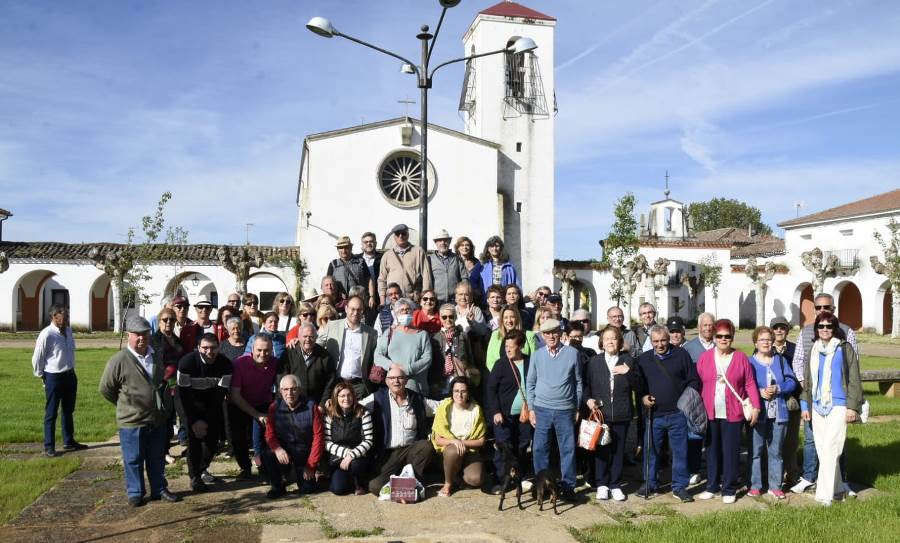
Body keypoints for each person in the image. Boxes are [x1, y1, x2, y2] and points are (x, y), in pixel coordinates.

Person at [99, 315, 181, 506]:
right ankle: (135, 492)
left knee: (157, 457)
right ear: (129, 335)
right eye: (137, 335)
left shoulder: (156, 355)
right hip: (132, 421)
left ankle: (159, 489)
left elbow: (161, 381)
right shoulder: (118, 360)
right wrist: (126, 405)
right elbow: (106, 389)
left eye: (145, 334)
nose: (142, 338)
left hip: (156, 418)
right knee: (133, 458)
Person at [800, 312, 862, 506]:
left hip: (839, 405)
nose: (824, 330)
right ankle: (838, 489)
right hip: (817, 406)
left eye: (828, 326)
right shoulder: (814, 350)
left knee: (830, 448)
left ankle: (824, 496)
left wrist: (852, 407)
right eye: (821, 326)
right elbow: (808, 381)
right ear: (816, 329)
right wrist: (805, 405)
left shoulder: (844, 349)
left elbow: (854, 379)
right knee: (822, 449)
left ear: (835, 328)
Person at [696, 319, 761, 504]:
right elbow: (699, 381)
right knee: (711, 450)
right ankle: (712, 485)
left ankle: (729, 488)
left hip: (733, 412)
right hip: (710, 411)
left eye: (727, 336)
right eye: (719, 336)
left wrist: (756, 407)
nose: (723, 339)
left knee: (731, 451)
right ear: (714, 337)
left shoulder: (740, 358)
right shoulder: (705, 357)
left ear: (732, 337)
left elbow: (749, 383)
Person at [634, 324, 699, 503]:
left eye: (663, 340)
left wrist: (685, 402)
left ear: (668, 339)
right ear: (651, 342)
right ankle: (650, 483)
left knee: (680, 451)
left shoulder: (681, 355)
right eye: (656, 341)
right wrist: (644, 397)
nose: (660, 344)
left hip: (677, 414)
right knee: (651, 451)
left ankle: (679, 487)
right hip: (654, 415)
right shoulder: (644, 359)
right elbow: (639, 387)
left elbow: (693, 381)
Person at [526, 319, 583, 502]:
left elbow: (578, 382)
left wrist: (576, 406)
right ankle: (542, 485)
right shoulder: (537, 355)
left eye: (554, 332)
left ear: (561, 333)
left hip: (565, 409)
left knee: (567, 449)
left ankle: (568, 486)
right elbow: (530, 383)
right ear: (542, 335)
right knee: (539, 449)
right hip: (541, 408)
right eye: (547, 333)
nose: (551, 336)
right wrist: (532, 408)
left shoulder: (573, 354)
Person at [360, 364, 437, 496]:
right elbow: (357, 407)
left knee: (426, 446)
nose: (396, 381)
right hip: (388, 454)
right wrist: (333, 405)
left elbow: (439, 407)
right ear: (386, 381)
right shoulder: (377, 398)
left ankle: (410, 482)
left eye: (400, 377)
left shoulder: (417, 399)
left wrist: (457, 400)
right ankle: (406, 488)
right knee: (375, 486)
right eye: (392, 378)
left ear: (406, 380)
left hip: (411, 450)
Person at [583, 326, 638, 502]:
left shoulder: (627, 360)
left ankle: (615, 484)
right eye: (606, 339)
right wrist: (588, 400)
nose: (610, 342)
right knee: (601, 450)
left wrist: (628, 373)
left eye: (614, 338)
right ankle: (602, 484)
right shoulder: (594, 362)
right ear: (602, 342)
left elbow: (639, 385)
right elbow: (586, 386)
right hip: (601, 414)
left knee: (617, 450)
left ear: (620, 341)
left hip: (622, 413)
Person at [176, 333, 233, 493]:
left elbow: (219, 396)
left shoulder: (226, 365)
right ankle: (195, 478)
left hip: (211, 403)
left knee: (212, 442)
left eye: (213, 347)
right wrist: (194, 421)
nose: (209, 351)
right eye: (205, 348)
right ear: (198, 348)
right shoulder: (186, 363)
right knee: (194, 439)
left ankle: (201, 469)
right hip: (188, 402)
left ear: (218, 348)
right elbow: (183, 395)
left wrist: (206, 420)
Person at [748, 326, 797, 499]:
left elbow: (792, 382)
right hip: (758, 412)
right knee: (756, 450)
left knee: (776, 451)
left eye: (769, 339)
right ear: (756, 342)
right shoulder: (749, 362)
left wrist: (778, 388)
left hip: (779, 412)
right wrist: (759, 391)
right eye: (762, 340)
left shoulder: (780, 360)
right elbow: (744, 385)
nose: (766, 343)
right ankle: (755, 485)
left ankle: (775, 485)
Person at [32, 304, 86, 457]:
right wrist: (41, 375)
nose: (65, 321)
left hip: (69, 374)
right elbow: (38, 357)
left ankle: (68, 441)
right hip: (53, 376)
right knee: (51, 412)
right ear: (53, 317)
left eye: (67, 317)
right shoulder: (46, 334)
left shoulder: (68, 331)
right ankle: (49, 446)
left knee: (68, 410)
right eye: (62, 318)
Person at [262, 374, 325, 499]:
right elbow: (269, 434)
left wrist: (311, 465)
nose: (289, 393)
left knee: (308, 489)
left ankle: (296, 475)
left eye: (293, 389)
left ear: (300, 390)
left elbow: (319, 437)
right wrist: (277, 449)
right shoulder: (274, 407)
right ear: (280, 391)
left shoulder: (311, 406)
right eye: (285, 389)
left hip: (304, 453)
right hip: (285, 451)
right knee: (268, 453)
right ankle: (278, 485)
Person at [486, 331, 533, 492]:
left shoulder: (530, 361)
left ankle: (519, 477)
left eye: (511, 347)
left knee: (522, 446)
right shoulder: (501, 364)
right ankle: (501, 480)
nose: (507, 350)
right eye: (505, 346)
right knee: (503, 447)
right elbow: (491, 389)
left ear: (520, 346)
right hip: (504, 415)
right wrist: (496, 411)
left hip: (525, 414)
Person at [229, 335, 278, 479]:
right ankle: (245, 468)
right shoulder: (239, 364)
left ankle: (263, 465)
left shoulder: (275, 363)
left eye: (267, 350)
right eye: (259, 350)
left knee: (264, 438)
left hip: (263, 402)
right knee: (238, 438)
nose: (263, 354)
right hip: (240, 402)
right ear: (252, 349)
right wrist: (256, 414)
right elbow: (235, 395)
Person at [432, 377, 487, 497]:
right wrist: (455, 442)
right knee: (453, 450)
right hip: (449, 451)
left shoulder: (476, 410)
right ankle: (448, 483)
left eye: (463, 391)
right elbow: (438, 439)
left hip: (469, 451)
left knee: (476, 479)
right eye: (456, 391)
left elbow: (481, 441)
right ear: (452, 392)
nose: (459, 395)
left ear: (469, 393)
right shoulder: (444, 408)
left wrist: (462, 443)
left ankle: (458, 477)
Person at [318, 296, 378, 400]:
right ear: (346, 309)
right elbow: (317, 345)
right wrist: (298, 341)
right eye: (352, 309)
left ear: (363, 311)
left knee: (359, 415)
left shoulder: (371, 333)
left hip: (359, 386)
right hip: (336, 383)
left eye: (359, 310)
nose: (355, 313)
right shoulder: (332, 326)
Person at [680, 311, 715, 482]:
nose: (708, 328)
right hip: (696, 399)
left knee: (713, 436)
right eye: (705, 325)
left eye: (710, 325)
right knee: (694, 435)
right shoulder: (689, 348)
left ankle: (714, 469)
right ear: (699, 327)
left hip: (716, 400)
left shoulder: (720, 346)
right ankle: (693, 470)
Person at [324, 382, 374, 495]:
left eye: (349, 395)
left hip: (358, 456)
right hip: (337, 458)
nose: (346, 398)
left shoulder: (363, 412)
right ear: (336, 397)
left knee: (355, 465)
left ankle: (358, 482)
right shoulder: (330, 414)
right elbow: (326, 442)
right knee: (338, 489)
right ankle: (346, 480)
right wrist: (346, 453)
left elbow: (368, 440)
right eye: (342, 396)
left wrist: (351, 455)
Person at [375, 298, 432, 395]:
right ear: (396, 314)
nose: (405, 312)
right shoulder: (389, 332)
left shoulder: (422, 335)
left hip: (415, 387)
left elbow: (427, 358)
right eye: (401, 310)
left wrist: (407, 369)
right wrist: (392, 366)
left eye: (408, 309)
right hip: (393, 386)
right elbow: (378, 355)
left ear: (412, 312)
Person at [150, 307, 186, 459]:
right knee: (163, 418)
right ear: (159, 322)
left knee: (175, 416)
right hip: (161, 383)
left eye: (172, 320)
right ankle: (161, 451)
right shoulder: (153, 340)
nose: (168, 323)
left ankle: (166, 449)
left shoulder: (177, 340)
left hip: (176, 383)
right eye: (165, 320)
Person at [770, 315, 802, 484]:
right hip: (772, 401)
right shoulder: (765, 349)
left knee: (791, 440)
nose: (779, 331)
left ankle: (792, 472)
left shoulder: (796, 350)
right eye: (776, 328)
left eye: (782, 327)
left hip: (791, 401)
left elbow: (800, 375)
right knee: (775, 440)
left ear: (787, 330)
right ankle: (775, 473)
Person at [278, 323, 336, 405]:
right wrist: (284, 402)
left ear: (316, 337)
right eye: (305, 336)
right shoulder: (289, 353)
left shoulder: (325, 356)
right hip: (293, 403)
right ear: (298, 337)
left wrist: (322, 404)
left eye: (311, 336)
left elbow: (330, 382)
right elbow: (281, 378)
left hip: (316, 404)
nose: (308, 339)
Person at [429, 304, 476, 399]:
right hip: (441, 381)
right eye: (444, 317)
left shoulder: (463, 336)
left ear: (455, 317)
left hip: (459, 377)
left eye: (451, 316)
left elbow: (470, 358)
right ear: (440, 319)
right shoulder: (434, 338)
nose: (448, 320)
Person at [377, 223, 432, 300]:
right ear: (394, 236)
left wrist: (425, 297)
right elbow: (382, 279)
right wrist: (382, 300)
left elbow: (426, 275)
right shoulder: (387, 255)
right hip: (393, 298)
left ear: (408, 235)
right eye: (397, 234)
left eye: (403, 233)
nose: (400, 236)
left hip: (412, 298)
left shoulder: (418, 251)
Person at [327, 236, 376, 309]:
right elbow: (327, 285)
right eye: (341, 248)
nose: (344, 250)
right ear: (337, 249)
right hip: (340, 304)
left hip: (359, 302)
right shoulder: (333, 265)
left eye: (346, 247)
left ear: (351, 247)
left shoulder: (360, 262)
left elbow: (369, 280)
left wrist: (372, 297)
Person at [486, 307, 538, 372]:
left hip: (522, 376)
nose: (509, 321)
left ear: (517, 318)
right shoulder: (495, 335)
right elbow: (490, 361)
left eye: (512, 317)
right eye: (506, 318)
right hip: (501, 377)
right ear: (502, 320)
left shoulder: (529, 335)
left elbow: (534, 361)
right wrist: (500, 375)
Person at [429, 229, 468, 305]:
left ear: (449, 242)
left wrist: (462, 295)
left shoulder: (457, 258)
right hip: (437, 301)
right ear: (436, 243)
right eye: (440, 240)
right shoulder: (430, 259)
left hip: (455, 301)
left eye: (445, 240)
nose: (443, 243)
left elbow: (464, 278)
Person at [454, 235, 483, 301]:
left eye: (467, 245)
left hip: (475, 296)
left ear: (471, 247)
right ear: (458, 248)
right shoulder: (455, 261)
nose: (465, 247)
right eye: (462, 245)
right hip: (461, 296)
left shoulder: (476, 262)